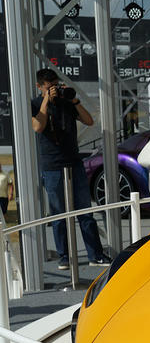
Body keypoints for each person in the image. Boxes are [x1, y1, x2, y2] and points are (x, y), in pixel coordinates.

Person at [30, 68, 110, 270]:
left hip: (74, 162)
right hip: (52, 166)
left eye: (55, 85)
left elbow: (89, 121)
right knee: (58, 215)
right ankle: (64, 257)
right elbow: (38, 127)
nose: (54, 89)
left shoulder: (66, 102)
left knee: (85, 211)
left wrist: (73, 100)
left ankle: (96, 255)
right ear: (40, 87)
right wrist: (47, 100)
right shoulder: (35, 104)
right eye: (49, 86)